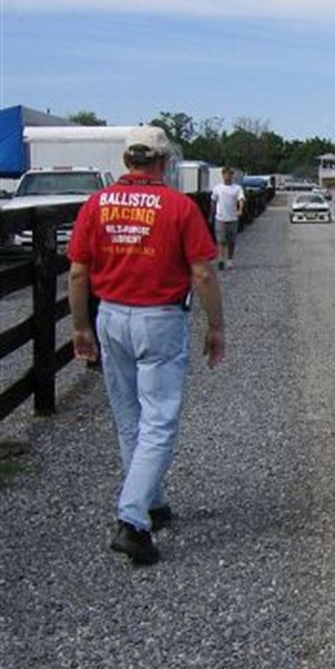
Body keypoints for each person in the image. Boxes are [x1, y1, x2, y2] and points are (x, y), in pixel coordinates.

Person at [67, 125, 225, 565]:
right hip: (159, 317)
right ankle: (132, 521)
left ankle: (151, 501)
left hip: (111, 314)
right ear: (165, 162)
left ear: (125, 161)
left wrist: (81, 327)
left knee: (129, 416)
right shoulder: (178, 206)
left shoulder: (96, 204)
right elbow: (204, 273)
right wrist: (216, 327)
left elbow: (79, 272)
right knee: (159, 419)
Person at [210, 166, 245, 270]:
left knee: (231, 241)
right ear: (222, 175)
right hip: (220, 218)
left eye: (229, 174)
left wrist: (240, 209)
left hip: (233, 218)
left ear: (232, 175)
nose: (227, 176)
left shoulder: (237, 188)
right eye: (225, 174)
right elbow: (213, 201)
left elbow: (241, 199)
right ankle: (221, 259)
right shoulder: (217, 188)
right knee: (220, 240)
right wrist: (212, 214)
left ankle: (229, 259)